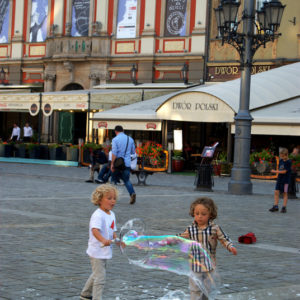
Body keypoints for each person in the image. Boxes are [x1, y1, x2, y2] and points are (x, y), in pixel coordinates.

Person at [179, 197, 237, 300]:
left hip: (210, 266)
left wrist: (230, 247)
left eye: (203, 214)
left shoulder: (215, 228)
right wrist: (168, 241)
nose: (199, 216)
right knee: (195, 289)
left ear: (210, 214)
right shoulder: (191, 229)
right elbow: (180, 237)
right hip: (194, 265)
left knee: (207, 289)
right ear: (193, 213)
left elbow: (224, 239)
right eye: (197, 213)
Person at [80, 184, 122, 300]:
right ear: (99, 200)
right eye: (109, 198)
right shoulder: (98, 215)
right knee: (100, 278)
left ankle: (85, 294)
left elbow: (112, 230)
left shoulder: (111, 214)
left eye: (114, 198)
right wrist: (103, 240)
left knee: (96, 274)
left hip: (104, 250)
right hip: (97, 250)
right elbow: (95, 230)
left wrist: (117, 240)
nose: (112, 201)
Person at [110, 125, 136, 204]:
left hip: (118, 163)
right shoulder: (130, 139)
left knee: (113, 179)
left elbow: (114, 153)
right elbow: (133, 152)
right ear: (123, 130)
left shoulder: (115, 139)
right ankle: (132, 193)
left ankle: (111, 197)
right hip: (127, 163)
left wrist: (112, 164)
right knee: (126, 180)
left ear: (115, 131)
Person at [269, 147, 292, 213]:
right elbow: (280, 169)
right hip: (279, 179)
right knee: (276, 192)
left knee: (285, 193)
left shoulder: (288, 162)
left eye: (283, 156)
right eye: (281, 156)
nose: (281, 157)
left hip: (285, 180)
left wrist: (275, 171)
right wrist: (277, 173)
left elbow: (284, 171)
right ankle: (275, 206)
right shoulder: (281, 160)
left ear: (286, 155)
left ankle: (284, 207)